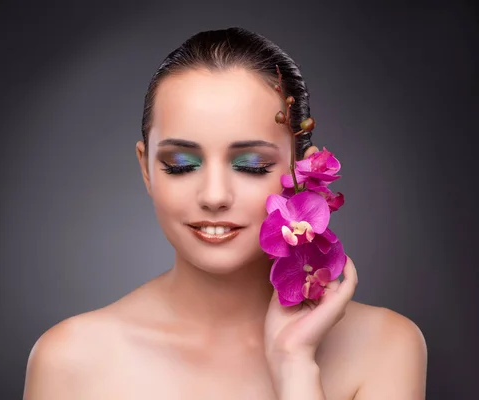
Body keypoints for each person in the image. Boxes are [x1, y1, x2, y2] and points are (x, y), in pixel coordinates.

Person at [23, 27, 427, 399]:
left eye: (251, 165)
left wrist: (295, 368)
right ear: (146, 169)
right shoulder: (71, 361)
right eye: (180, 164)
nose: (214, 196)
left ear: (301, 169)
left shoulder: (384, 347)